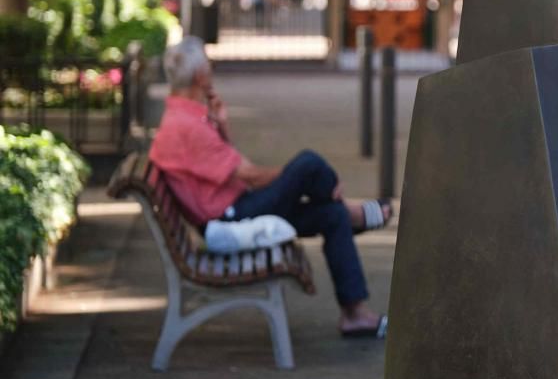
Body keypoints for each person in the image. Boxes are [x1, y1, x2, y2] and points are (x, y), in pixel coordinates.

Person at [149, 36, 391, 336]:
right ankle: (353, 211)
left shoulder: (184, 117)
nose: (212, 68)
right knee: (308, 164)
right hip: (230, 219)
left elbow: (227, 170)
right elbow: (250, 175)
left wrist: (222, 125)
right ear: (200, 76)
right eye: (208, 64)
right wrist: (293, 176)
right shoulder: (185, 125)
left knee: (331, 215)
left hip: (234, 208)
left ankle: (354, 314)